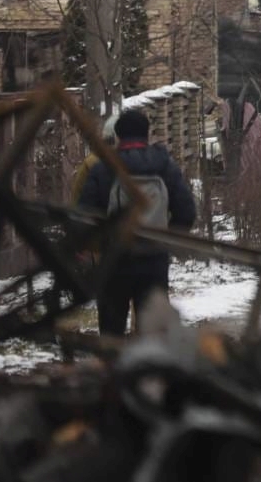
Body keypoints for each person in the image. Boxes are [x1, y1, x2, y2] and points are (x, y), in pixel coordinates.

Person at [78, 109, 197, 336]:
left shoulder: (104, 168)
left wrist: (98, 245)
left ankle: (111, 368)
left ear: (118, 135)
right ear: (147, 133)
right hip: (153, 261)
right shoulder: (164, 166)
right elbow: (186, 211)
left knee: (111, 333)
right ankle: (147, 370)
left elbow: (84, 215)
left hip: (114, 261)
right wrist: (166, 241)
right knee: (151, 335)